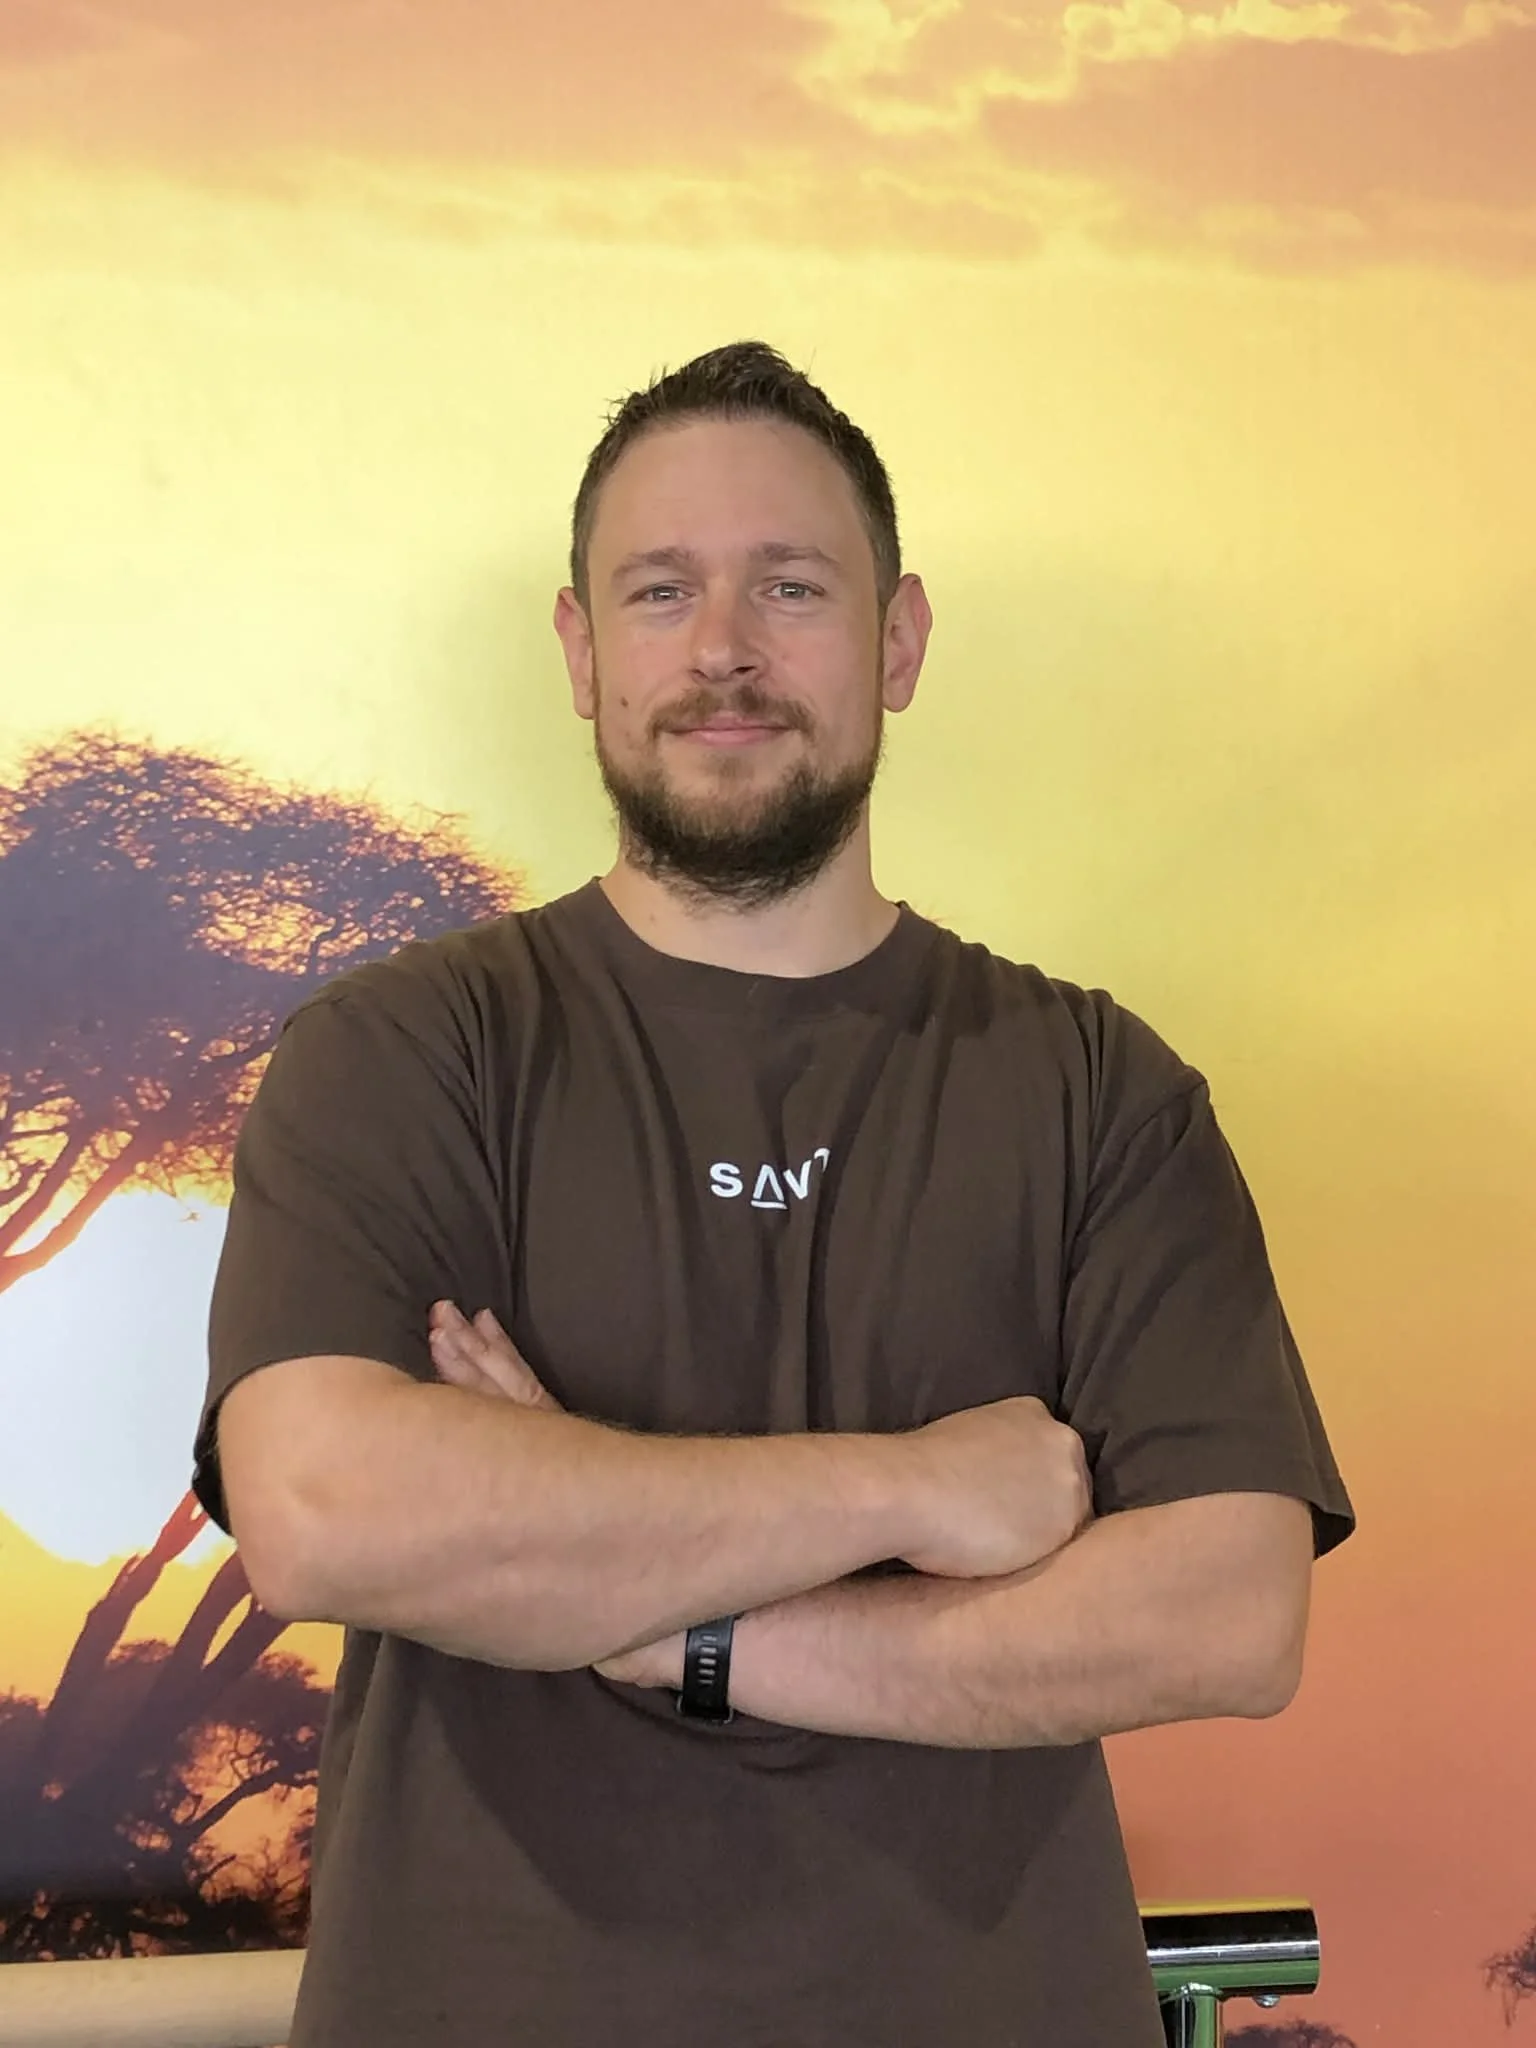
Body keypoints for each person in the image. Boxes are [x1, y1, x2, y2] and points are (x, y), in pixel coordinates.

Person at [194, 339, 1354, 2047]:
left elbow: (1229, 1613)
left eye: (789, 587)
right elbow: (325, 1510)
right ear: (581, 652)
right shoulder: (402, 1051)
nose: (722, 649)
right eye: (660, 591)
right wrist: (915, 1489)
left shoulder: (1098, 1087)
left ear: (898, 642)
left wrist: (676, 1631)